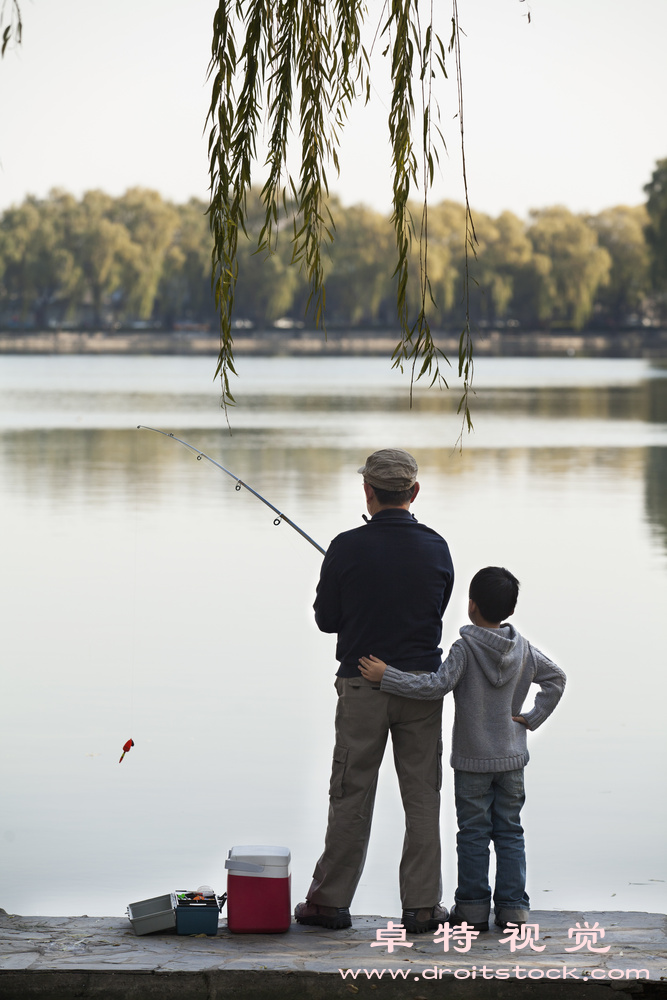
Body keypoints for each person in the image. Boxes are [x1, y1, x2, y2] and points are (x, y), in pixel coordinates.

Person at [295, 449, 455, 932]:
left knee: (351, 792)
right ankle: (423, 907)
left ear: (367, 491)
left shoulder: (345, 546)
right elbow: (437, 608)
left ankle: (328, 904)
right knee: (422, 796)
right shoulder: (437, 547)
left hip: (362, 687)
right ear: (415, 492)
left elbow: (326, 621)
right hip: (423, 688)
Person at [359, 566, 566, 932]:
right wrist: (532, 717)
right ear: (510, 611)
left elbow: (436, 686)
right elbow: (556, 678)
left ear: (471, 606)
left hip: (472, 763)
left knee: (472, 833)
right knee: (510, 832)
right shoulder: (524, 650)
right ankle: (513, 909)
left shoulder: (465, 648)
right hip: (512, 760)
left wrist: (387, 676)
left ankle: (471, 909)